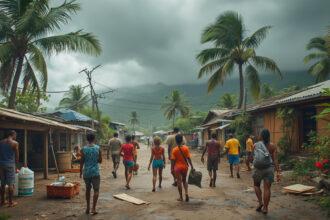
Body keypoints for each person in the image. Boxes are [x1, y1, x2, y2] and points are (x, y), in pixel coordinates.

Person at [253, 129, 280, 215]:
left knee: (256, 185)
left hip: (258, 169)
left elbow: (252, 157)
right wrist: (278, 171)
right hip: (268, 169)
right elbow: (275, 160)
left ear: (261, 136)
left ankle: (260, 202)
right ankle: (265, 208)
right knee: (267, 188)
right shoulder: (273, 146)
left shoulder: (256, 145)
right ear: (268, 136)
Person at [80, 133, 102, 215]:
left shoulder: (83, 149)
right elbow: (100, 160)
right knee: (96, 190)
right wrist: (95, 159)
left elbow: (81, 161)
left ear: (87, 139)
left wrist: (80, 172)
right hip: (95, 172)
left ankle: (88, 208)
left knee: (88, 190)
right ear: (94, 139)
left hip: (86, 172)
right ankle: (93, 208)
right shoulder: (98, 148)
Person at [171, 134, 194, 202]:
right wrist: (192, 166)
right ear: (182, 140)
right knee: (184, 180)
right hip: (185, 167)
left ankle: (181, 197)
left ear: (176, 140)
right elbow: (188, 158)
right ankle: (186, 193)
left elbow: (173, 160)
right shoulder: (186, 148)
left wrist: (172, 168)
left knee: (179, 182)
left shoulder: (174, 150)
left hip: (177, 168)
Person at [0, 130, 19, 208]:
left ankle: (3, 201)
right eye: (15, 136)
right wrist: (16, 166)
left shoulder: (0, 142)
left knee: (2, 184)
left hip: (1, 164)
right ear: (13, 135)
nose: (15, 137)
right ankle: (11, 202)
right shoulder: (15, 143)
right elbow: (17, 156)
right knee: (10, 184)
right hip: (10, 165)